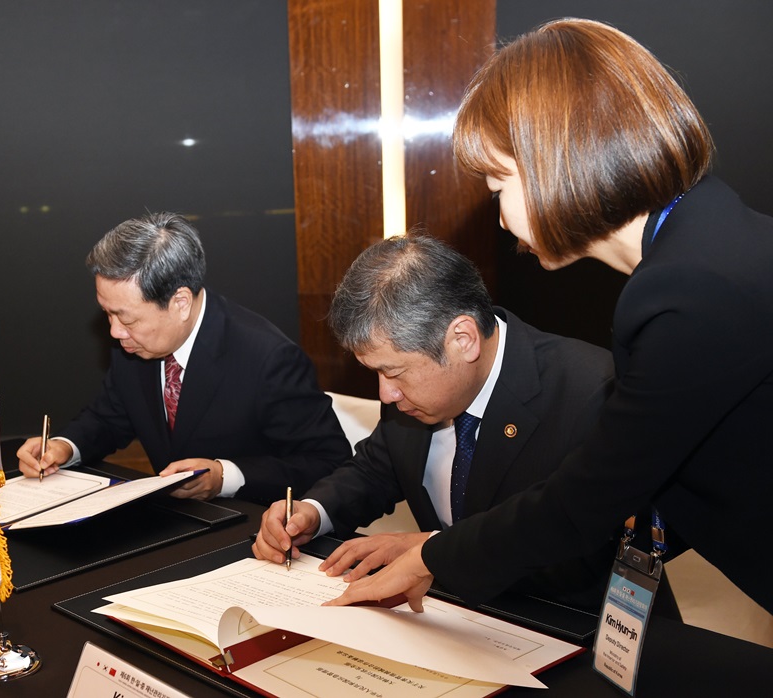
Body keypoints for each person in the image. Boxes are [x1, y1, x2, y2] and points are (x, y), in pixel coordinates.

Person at [328, 18, 773, 615]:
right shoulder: (713, 243)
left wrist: (434, 557)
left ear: (561, 159)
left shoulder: (686, 291)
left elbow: (589, 498)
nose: (503, 218)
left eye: (498, 186)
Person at [253, 234, 616, 608]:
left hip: (565, 625)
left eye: (394, 373)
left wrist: (435, 551)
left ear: (463, 339)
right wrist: (313, 513)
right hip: (446, 614)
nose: (386, 394)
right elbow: (375, 471)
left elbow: (581, 543)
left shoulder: (590, 392)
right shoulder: (412, 393)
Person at [16, 212, 350, 504]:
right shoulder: (134, 344)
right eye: (106, 314)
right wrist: (63, 447)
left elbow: (327, 462)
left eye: (126, 318)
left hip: (254, 525)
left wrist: (224, 476)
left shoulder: (268, 359)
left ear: (180, 303)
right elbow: (108, 418)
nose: (115, 332)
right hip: (175, 520)